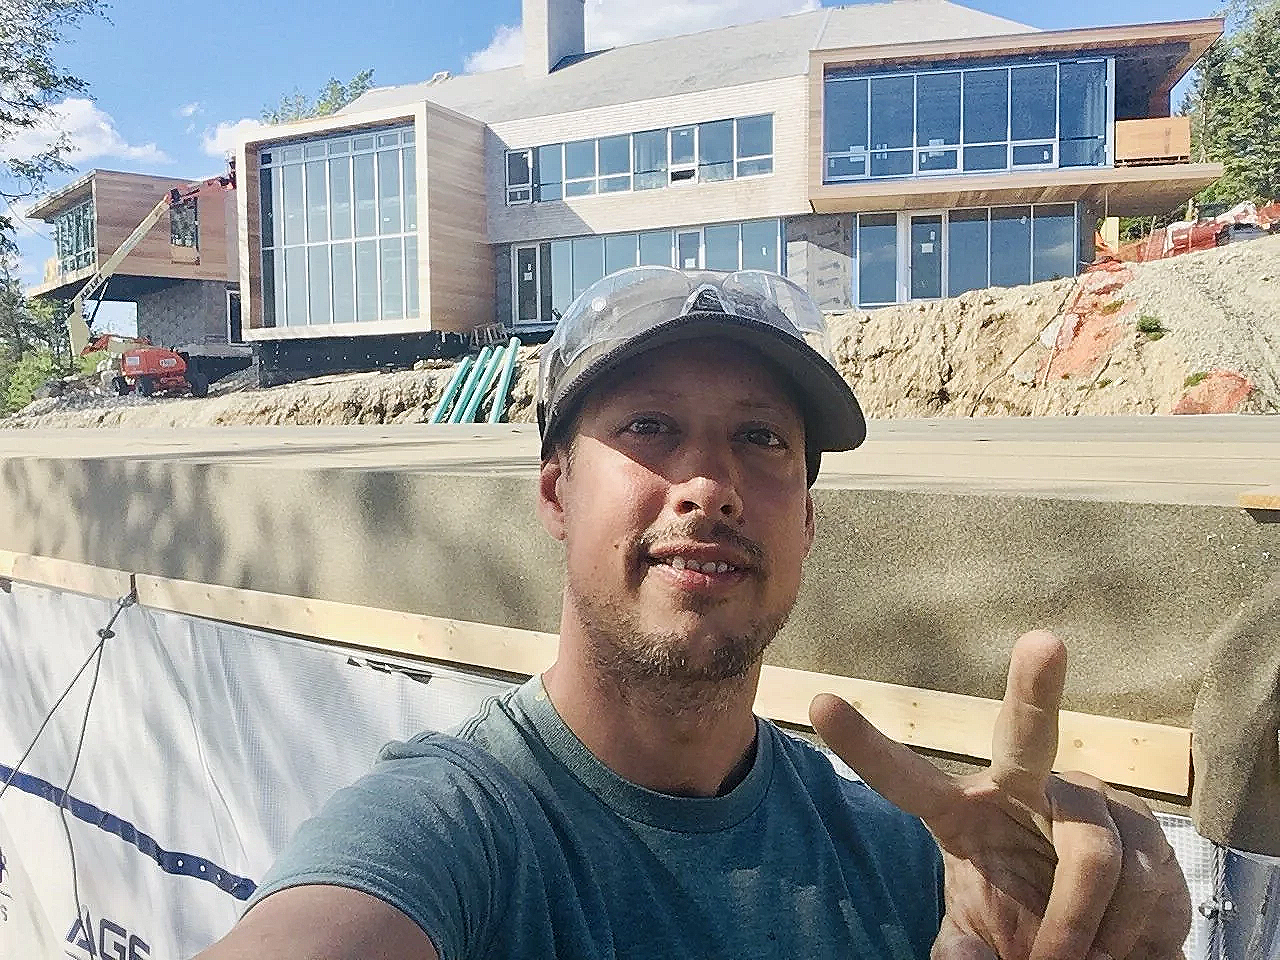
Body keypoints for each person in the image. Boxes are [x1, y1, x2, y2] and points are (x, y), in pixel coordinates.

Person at [196, 267, 1191, 960]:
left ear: (805, 522)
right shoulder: (453, 831)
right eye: (649, 428)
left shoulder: (912, 866)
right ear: (554, 495)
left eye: (759, 438)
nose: (708, 484)